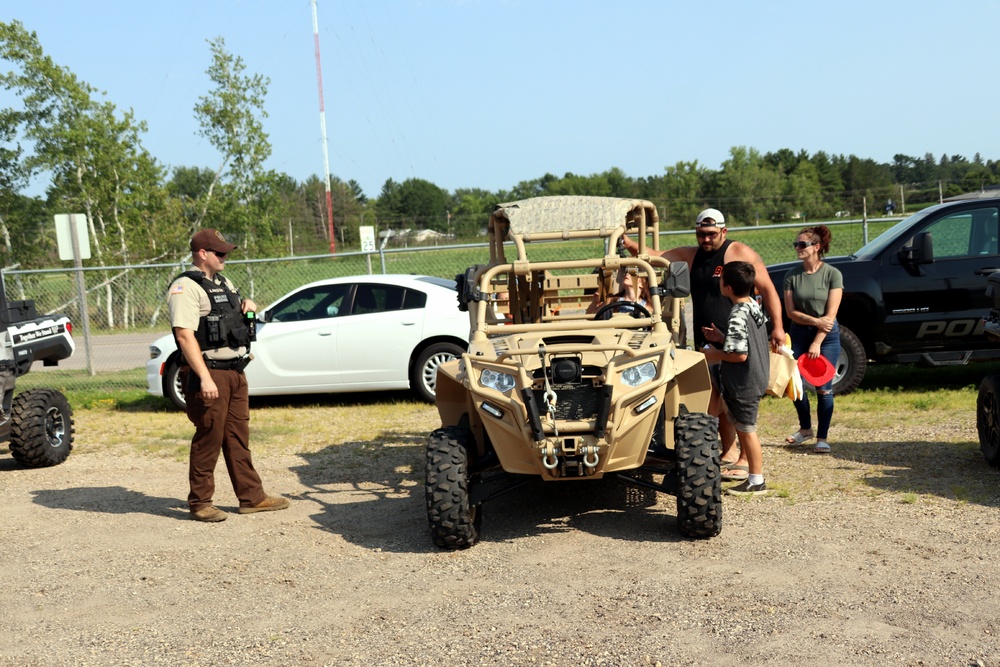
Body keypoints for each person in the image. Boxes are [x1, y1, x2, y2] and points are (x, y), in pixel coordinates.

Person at [623, 208, 785, 478]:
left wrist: (778, 327)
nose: (706, 239)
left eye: (711, 234)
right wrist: (627, 242)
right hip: (710, 340)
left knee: (738, 400)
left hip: (735, 341)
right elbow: (654, 257)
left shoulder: (739, 253)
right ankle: (729, 451)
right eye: (701, 234)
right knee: (715, 397)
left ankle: (746, 460)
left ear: (724, 231)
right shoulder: (691, 255)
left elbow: (767, 288)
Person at [168, 228, 290, 522]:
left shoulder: (222, 282)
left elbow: (226, 315)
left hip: (235, 371)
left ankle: (252, 497)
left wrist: (246, 305)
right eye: (219, 252)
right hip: (208, 373)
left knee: (238, 437)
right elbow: (185, 336)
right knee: (209, 437)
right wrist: (205, 378)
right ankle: (200, 503)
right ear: (202, 254)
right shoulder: (185, 288)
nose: (225, 257)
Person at [701, 261, 770, 496]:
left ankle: (756, 480)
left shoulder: (737, 313)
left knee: (748, 430)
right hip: (756, 377)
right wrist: (723, 337)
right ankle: (753, 475)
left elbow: (740, 355)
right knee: (744, 427)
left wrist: (713, 353)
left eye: (721, 280)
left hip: (744, 382)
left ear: (727, 287)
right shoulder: (752, 305)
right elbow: (747, 340)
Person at [782, 225, 843, 454]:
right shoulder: (791, 276)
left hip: (826, 337)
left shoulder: (832, 274)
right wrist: (814, 322)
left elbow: (830, 316)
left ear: (816, 247)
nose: (797, 248)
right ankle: (805, 429)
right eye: (795, 244)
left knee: (823, 387)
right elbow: (790, 312)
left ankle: (822, 437)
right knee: (795, 385)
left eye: (802, 244)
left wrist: (817, 340)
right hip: (798, 333)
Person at [586, 267, 651, 318]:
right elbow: (590, 316)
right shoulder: (612, 300)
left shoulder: (647, 306)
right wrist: (594, 302)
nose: (627, 274)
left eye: (632, 274)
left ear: (642, 284)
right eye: (626, 272)